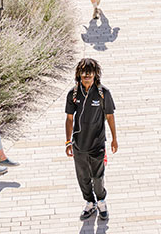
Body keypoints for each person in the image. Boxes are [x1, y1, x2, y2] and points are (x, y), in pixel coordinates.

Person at [65, 58, 117, 221]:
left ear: (96, 74)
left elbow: (109, 116)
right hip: (79, 145)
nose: (86, 75)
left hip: (97, 144)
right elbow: (69, 119)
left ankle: (101, 202)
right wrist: (68, 141)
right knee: (83, 177)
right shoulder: (73, 94)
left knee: (97, 177)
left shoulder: (103, 93)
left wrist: (115, 138)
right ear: (79, 74)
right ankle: (89, 202)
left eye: (90, 72)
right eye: (83, 72)